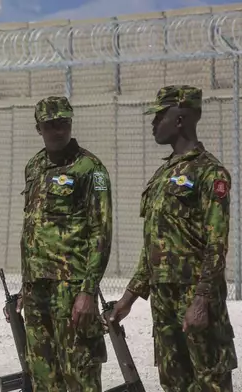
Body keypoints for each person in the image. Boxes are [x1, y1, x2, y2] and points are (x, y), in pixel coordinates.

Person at [110, 85, 238, 392]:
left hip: (195, 296)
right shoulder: (162, 175)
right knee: (174, 382)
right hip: (164, 298)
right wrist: (129, 297)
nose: (153, 124)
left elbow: (216, 243)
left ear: (179, 119)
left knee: (209, 381)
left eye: (159, 117)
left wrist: (201, 300)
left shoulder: (210, 173)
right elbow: (154, 245)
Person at [5, 96, 112, 391]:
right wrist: (24, 289)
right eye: (50, 125)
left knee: (78, 371)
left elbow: (101, 233)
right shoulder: (35, 166)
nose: (58, 130)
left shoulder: (90, 168)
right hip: (37, 289)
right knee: (42, 373)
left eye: (64, 123)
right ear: (39, 128)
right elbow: (33, 230)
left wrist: (88, 290)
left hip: (72, 288)